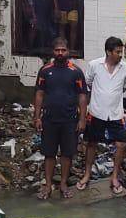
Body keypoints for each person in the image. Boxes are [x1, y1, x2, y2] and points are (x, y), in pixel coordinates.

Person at [77, 38, 126, 196]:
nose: (120, 55)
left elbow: (124, 86)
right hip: (96, 112)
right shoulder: (95, 65)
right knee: (91, 143)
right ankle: (87, 174)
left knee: (121, 144)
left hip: (115, 114)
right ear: (109, 52)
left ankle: (114, 176)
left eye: (121, 51)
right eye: (117, 52)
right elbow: (88, 82)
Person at [34, 37, 88, 201]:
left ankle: (63, 184)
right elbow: (39, 94)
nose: (60, 53)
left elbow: (82, 96)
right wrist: (37, 117)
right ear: (53, 52)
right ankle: (48, 185)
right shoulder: (45, 71)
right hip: (49, 119)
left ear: (68, 51)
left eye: (63, 50)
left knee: (67, 154)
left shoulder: (76, 72)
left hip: (70, 120)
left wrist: (82, 119)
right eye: (57, 50)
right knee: (49, 154)